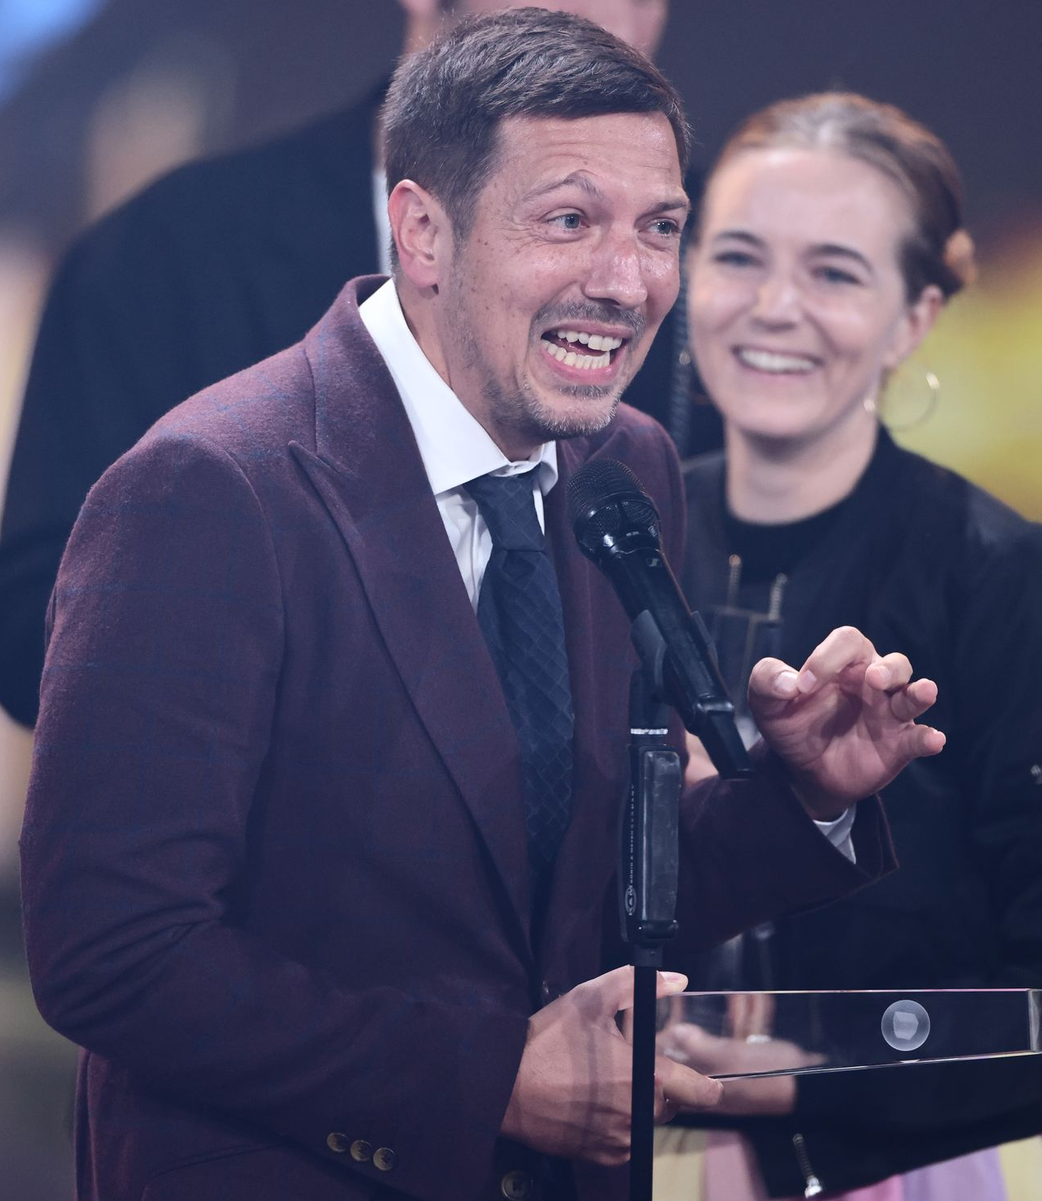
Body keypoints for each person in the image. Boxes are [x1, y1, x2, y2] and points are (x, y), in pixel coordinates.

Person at [19, 19, 947, 1201]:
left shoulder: (627, 468)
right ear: (422, 232)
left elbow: (573, 884)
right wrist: (490, 1079)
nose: (628, 280)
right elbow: (118, 956)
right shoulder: (210, 489)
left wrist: (803, 793)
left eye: (660, 227)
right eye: (568, 221)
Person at [656, 93, 1042, 1199]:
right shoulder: (601, 545)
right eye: (739, 257)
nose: (775, 307)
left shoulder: (1009, 580)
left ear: (916, 316)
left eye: (837, 272)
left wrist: (815, 1077)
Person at [0, 0, 685, 731]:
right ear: (417, 229)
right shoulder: (161, 253)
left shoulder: (699, 273)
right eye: (567, 221)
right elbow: (47, 636)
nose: (610, 15)